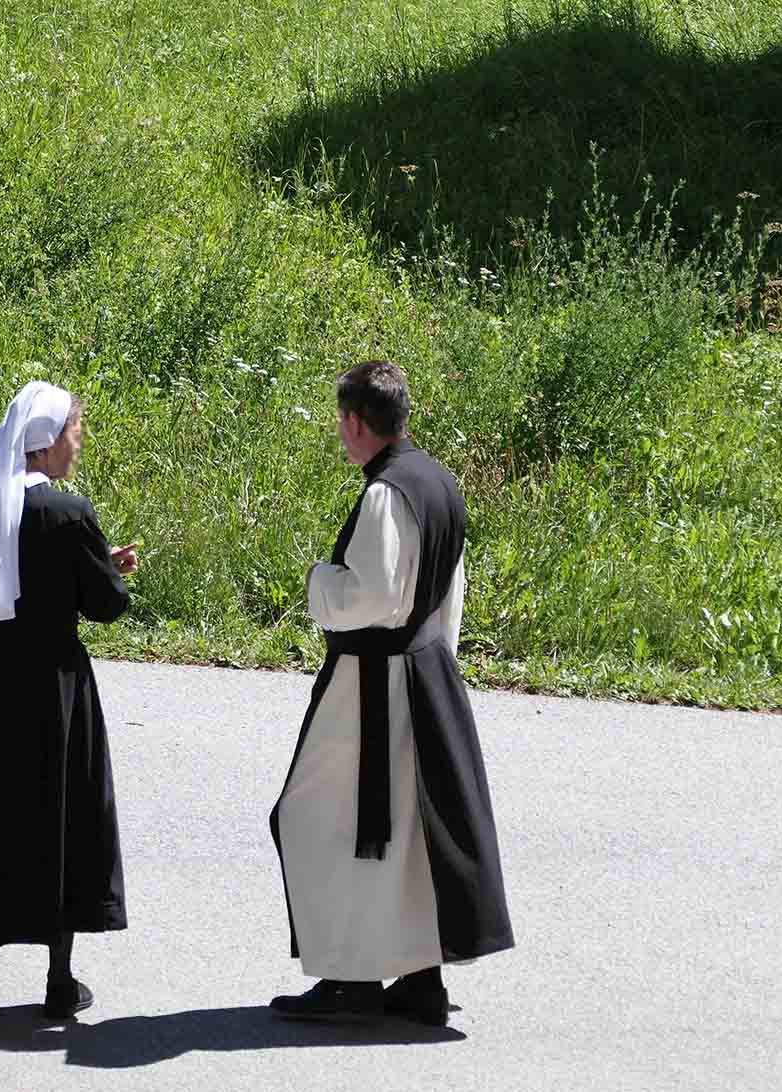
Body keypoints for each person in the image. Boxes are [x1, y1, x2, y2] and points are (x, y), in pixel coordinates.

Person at [269, 360, 514, 1025]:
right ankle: (418, 979)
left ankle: (351, 978)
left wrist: (320, 583)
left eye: (339, 423)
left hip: (373, 685)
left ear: (354, 422)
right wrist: (435, 665)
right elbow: (446, 598)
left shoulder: (384, 492)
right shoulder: (439, 482)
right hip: (426, 674)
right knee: (405, 833)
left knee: (325, 821)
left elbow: (374, 597)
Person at [0, 380, 139, 1021]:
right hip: (51, 684)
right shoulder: (69, 513)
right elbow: (104, 605)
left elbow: (4, 571)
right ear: (47, 443)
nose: (79, 445)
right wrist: (104, 569)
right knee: (61, 810)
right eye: (76, 433)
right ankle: (58, 978)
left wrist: (87, 561)